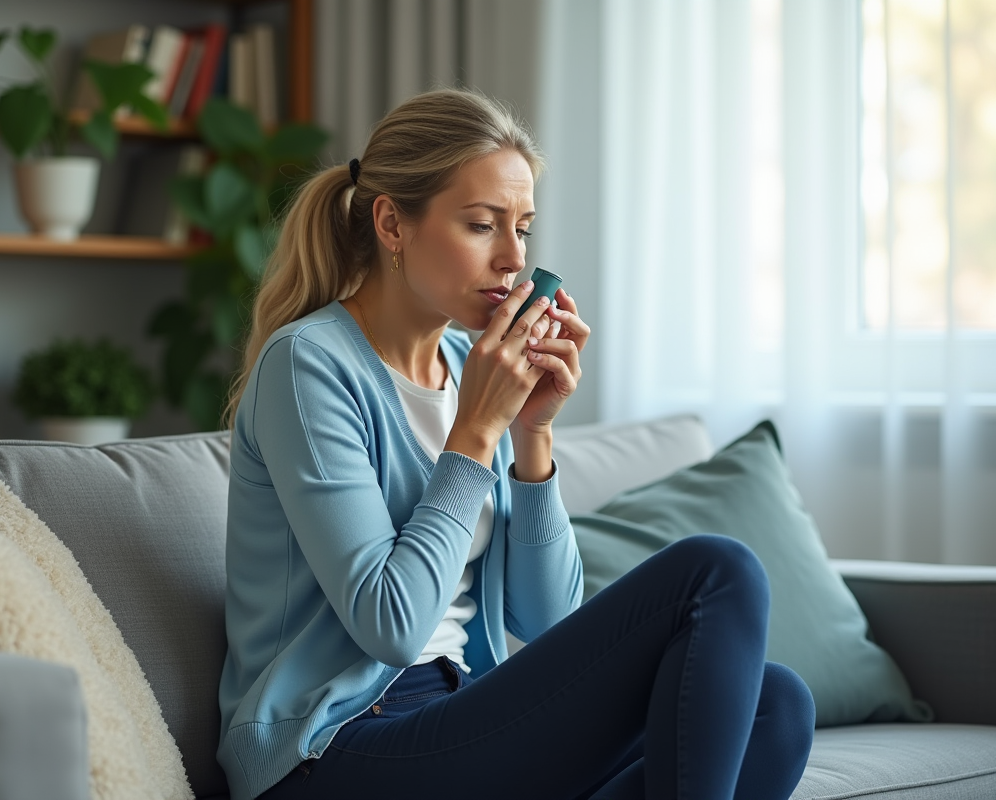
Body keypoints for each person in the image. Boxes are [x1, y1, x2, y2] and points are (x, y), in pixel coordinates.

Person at [216, 88, 815, 800]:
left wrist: (532, 432)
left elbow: (547, 619)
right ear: (391, 223)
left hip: (459, 717)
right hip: (333, 750)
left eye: (523, 229)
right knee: (716, 572)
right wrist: (474, 434)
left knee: (777, 705)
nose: (511, 258)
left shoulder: (477, 367)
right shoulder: (309, 366)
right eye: (481, 225)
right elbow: (393, 628)